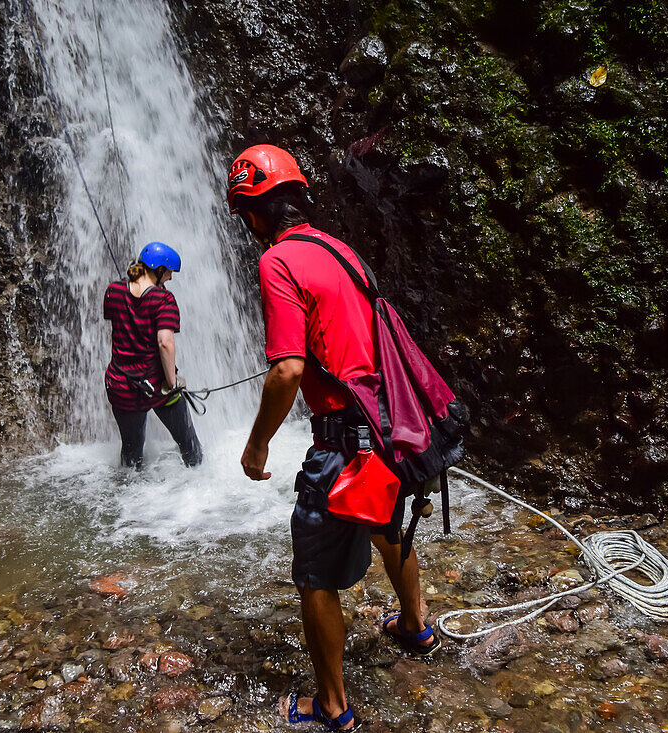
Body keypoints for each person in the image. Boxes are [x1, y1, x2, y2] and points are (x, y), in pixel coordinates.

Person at [227, 145, 438, 731]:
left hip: (342, 443)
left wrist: (257, 444)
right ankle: (417, 625)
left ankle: (331, 708)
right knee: (387, 526)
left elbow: (288, 369)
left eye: (246, 214)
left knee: (315, 576)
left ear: (256, 210)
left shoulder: (278, 261)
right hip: (386, 428)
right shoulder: (339, 249)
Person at [103, 241, 202, 468]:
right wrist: (172, 382)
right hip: (156, 384)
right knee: (189, 445)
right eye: (168, 273)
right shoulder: (163, 300)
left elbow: (122, 315)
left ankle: (131, 496)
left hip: (121, 384)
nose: (170, 278)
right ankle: (200, 487)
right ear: (158, 270)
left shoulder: (113, 291)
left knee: (131, 452)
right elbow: (164, 342)